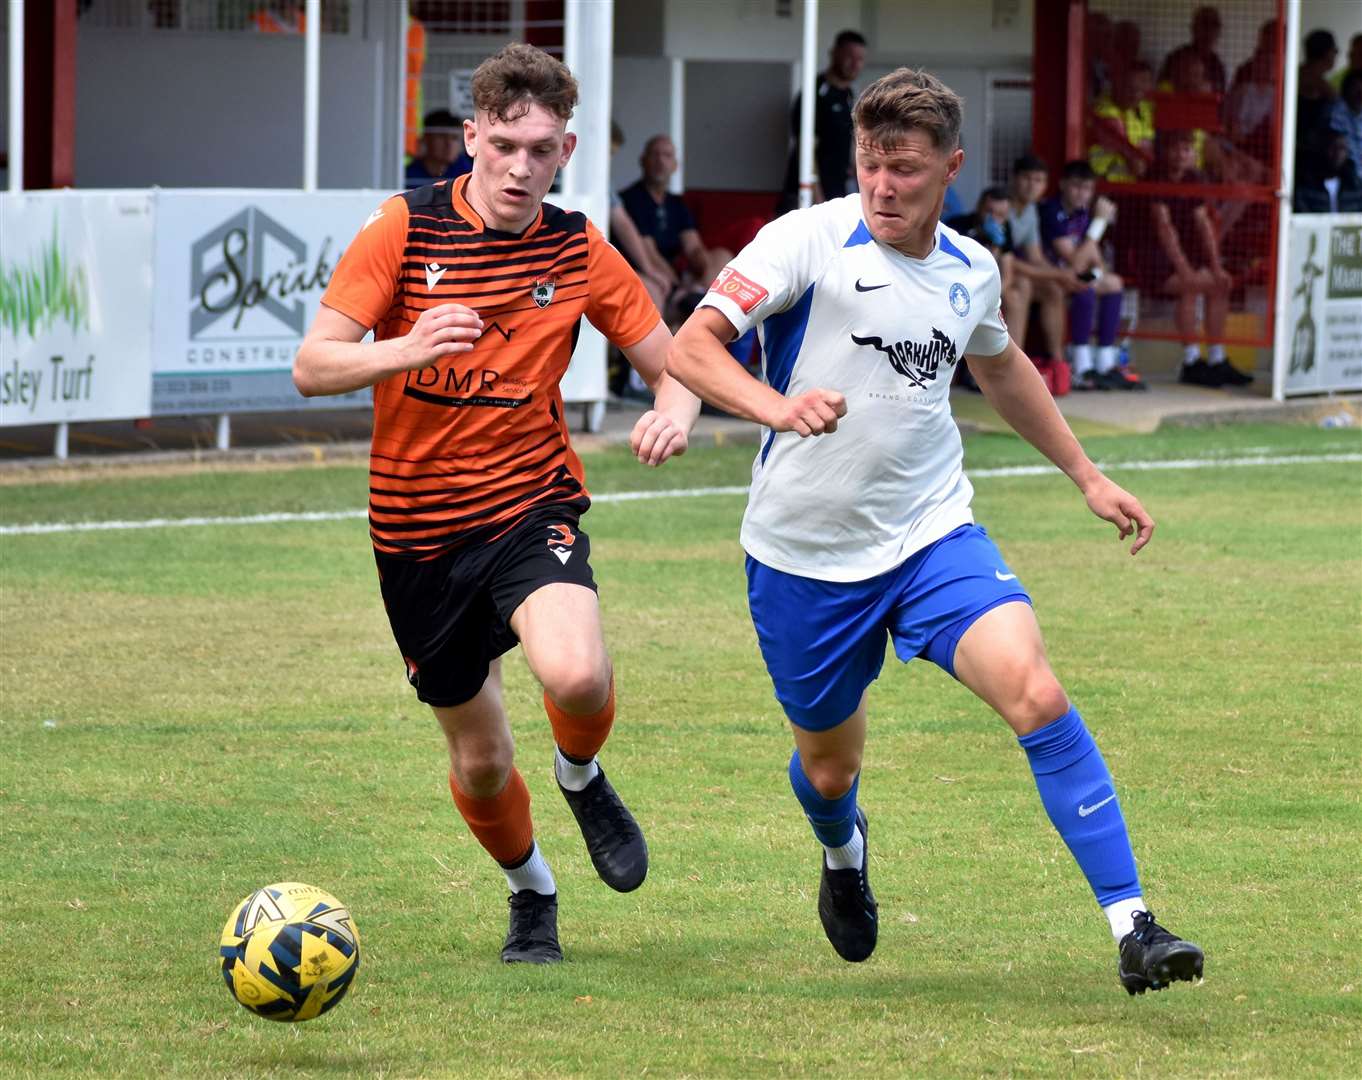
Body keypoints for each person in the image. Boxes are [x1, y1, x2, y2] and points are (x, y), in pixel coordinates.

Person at [667, 66, 1204, 995]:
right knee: (829, 771)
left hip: (929, 534)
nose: (883, 185)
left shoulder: (971, 269)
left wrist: (1086, 474)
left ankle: (1135, 926)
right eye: (871, 163)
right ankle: (842, 854)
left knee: (1036, 693)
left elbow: (1002, 370)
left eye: (906, 169)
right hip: (804, 556)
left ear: (950, 168)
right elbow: (692, 345)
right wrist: (776, 405)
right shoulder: (805, 240)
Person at [295, 43, 700, 966]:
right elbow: (312, 365)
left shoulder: (577, 244)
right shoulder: (403, 231)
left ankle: (581, 773)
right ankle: (532, 892)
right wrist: (405, 349)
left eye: (543, 149)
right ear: (470, 135)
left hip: (528, 502)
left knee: (579, 676)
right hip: (416, 536)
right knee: (479, 764)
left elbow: (674, 359)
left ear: (565, 151)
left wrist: (673, 413)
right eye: (506, 144)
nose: (522, 166)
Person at [1133, 131, 1249, 388]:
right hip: (1150, 258)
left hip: (1186, 255)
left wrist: (1216, 267)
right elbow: (1164, 229)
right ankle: (1191, 361)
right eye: (1175, 149)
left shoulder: (1193, 178)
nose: (1181, 155)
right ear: (1164, 153)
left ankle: (1217, 359)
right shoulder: (1155, 178)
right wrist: (1184, 269)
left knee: (1220, 285)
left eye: (1186, 149)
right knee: (1191, 286)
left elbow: (1203, 224)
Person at [1039, 160, 1145, 391]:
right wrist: (1099, 224)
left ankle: (1105, 363)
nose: (1082, 193)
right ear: (1063, 184)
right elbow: (1075, 262)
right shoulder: (1051, 210)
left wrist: (1097, 269)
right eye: (1076, 186)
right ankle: (1081, 365)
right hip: (1052, 278)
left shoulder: (1083, 213)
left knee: (1113, 282)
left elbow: (1097, 263)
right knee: (1085, 288)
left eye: (1087, 188)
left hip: (1074, 276)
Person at [617, 135, 732, 296]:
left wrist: (703, 266)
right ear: (643, 161)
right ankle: (688, 298)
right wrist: (678, 284)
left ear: (675, 166)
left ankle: (699, 297)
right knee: (657, 284)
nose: (660, 161)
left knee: (721, 256)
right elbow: (650, 254)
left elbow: (693, 247)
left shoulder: (676, 203)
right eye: (654, 154)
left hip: (677, 273)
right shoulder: (631, 199)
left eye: (667, 155)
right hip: (645, 271)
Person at [1008, 154, 1084, 392]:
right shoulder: (1000, 203)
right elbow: (1006, 262)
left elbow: (1035, 257)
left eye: (1039, 180)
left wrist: (1061, 276)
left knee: (1053, 289)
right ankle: (1013, 366)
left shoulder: (1030, 210)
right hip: (995, 276)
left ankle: (1057, 361)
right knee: (1023, 284)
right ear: (1014, 179)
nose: (1032, 185)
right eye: (1027, 179)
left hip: (1014, 272)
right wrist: (1059, 274)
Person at [778, 29, 868, 212]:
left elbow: (851, 142)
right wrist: (817, 198)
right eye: (849, 56)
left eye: (860, 59)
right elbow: (806, 149)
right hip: (807, 196)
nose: (855, 64)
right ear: (834, 53)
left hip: (838, 191)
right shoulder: (814, 94)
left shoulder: (849, 95)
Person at [1089, 62, 1155, 182]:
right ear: (1117, 84)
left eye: (1140, 91)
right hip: (1103, 181)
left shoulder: (1134, 111)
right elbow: (1133, 160)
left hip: (1127, 184)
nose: (1135, 96)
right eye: (1131, 89)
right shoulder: (1104, 110)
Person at [1158, 6, 1228, 96]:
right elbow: (1161, 90)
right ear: (1193, 28)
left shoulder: (1217, 65)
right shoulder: (1177, 58)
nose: (1209, 31)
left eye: (1214, 25)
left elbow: (1221, 98)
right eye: (1204, 24)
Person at [1294, 128, 1362, 214]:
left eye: (1342, 148)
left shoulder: (1356, 187)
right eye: (1333, 147)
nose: (1337, 153)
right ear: (1322, 149)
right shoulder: (1307, 186)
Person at [405, 108, 473, 188]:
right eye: (441, 137)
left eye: (454, 138)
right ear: (426, 139)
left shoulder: (467, 172)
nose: (449, 144)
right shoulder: (409, 176)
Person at [1329, 70, 1362, 171]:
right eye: (1356, 89)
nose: (1360, 95)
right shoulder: (1335, 112)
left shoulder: (1359, 115)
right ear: (1346, 90)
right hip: (1344, 178)